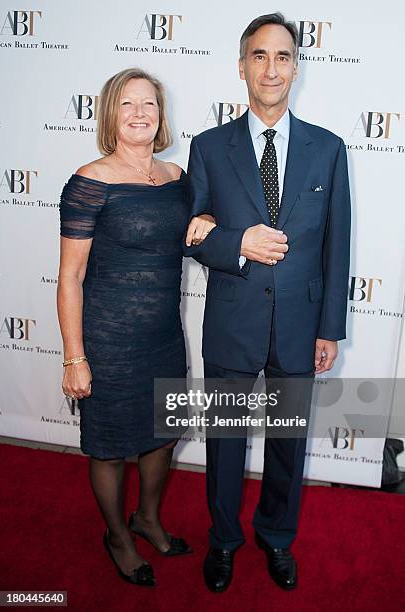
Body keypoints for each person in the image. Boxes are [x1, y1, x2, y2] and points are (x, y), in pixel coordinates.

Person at [184, 13, 351, 593]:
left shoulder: (328, 149)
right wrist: (240, 244)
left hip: (301, 327)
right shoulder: (207, 147)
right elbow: (193, 232)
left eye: (282, 56)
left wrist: (330, 328)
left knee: (288, 443)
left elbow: (337, 245)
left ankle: (277, 537)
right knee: (227, 442)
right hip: (233, 320)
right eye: (260, 55)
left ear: (296, 67)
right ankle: (224, 540)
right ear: (241, 66)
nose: (271, 68)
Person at [57, 68, 214, 587]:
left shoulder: (176, 178)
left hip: (164, 336)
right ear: (110, 115)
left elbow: (197, 229)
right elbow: (70, 276)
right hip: (108, 338)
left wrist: (208, 220)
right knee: (108, 445)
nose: (140, 113)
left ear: (161, 114)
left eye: (148, 103)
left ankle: (146, 518)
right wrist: (75, 356)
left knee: (163, 436)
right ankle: (117, 536)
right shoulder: (90, 180)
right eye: (127, 105)